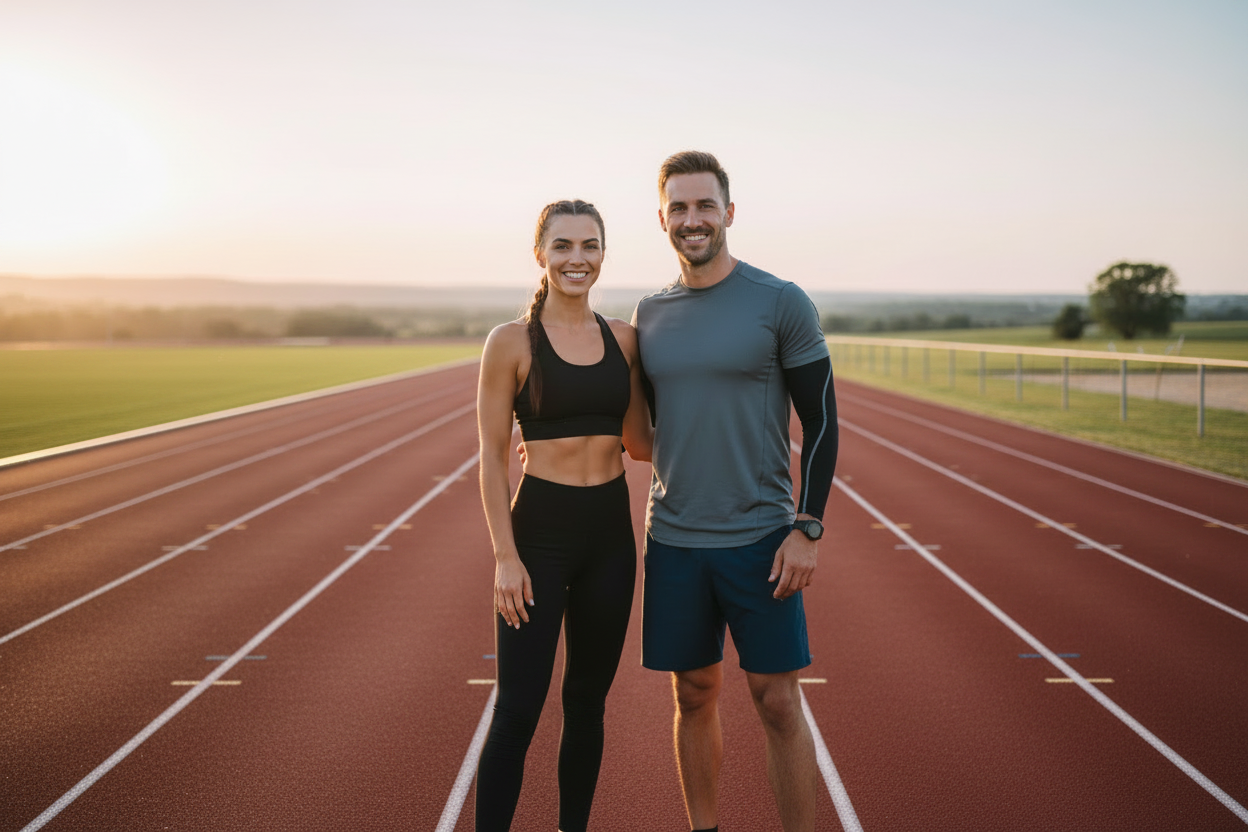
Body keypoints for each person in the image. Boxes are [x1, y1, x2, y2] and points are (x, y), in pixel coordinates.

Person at [633, 151, 838, 832]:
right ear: (662, 217)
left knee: (777, 701)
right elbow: (634, 422)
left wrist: (807, 526)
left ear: (728, 213)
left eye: (704, 205)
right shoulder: (649, 313)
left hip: (759, 539)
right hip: (674, 540)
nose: (693, 220)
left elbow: (824, 420)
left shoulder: (779, 301)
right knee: (692, 694)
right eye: (679, 208)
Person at [474, 199, 652, 832]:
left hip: (610, 535)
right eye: (563, 247)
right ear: (540, 254)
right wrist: (505, 556)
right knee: (518, 709)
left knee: (585, 705)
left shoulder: (624, 341)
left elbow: (641, 444)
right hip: (539, 536)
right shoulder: (511, 343)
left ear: (603, 254)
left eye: (590, 246)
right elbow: (492, 459)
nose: (577, 259)